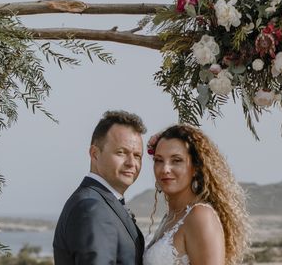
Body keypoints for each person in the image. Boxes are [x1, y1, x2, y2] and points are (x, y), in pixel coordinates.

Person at [143, 124, 249, 265]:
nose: (165, 169)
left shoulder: (200, 216)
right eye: (159, 160)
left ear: (196, 168)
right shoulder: (171, 216)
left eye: (176, 160)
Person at [53, 110, 147, 264]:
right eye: (121, 152)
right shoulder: (92, 208)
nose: (131, 163)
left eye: (137, 155)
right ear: (95, 154)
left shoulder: (100, 201)